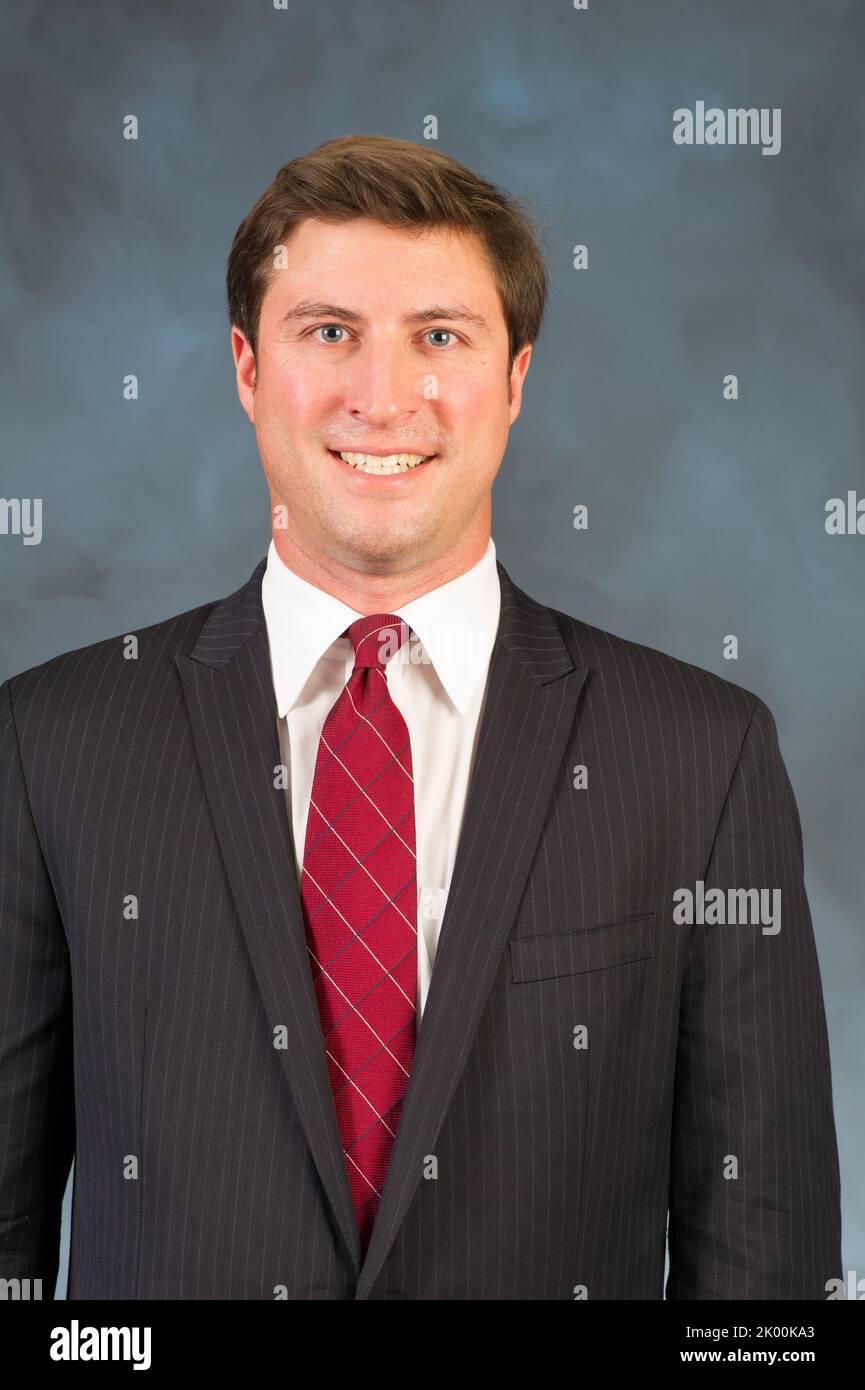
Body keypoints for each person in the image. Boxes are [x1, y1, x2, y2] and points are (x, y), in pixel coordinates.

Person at [0, 135, 841, 1300]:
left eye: (439, 336)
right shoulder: (50, 744)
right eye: (328, 331)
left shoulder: (701, 758)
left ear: (515, 379)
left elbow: (765, 1268)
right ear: (247, 368)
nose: (383, 396)